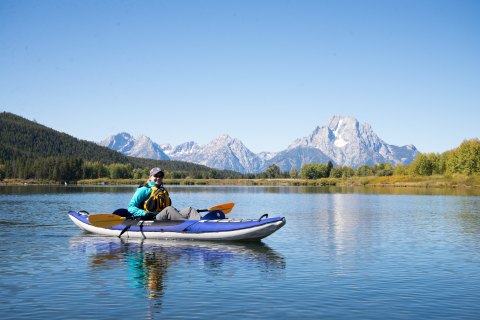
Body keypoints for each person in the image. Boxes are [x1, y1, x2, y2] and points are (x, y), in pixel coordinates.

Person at [128, 167, 201, 221]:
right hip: (152, 218)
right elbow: (131, 208)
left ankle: (202, 223)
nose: (158, 178)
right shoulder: (144, 190)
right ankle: (187, 225)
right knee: (168, 210)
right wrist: (144, 213)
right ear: (150, 177)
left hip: (163, 216)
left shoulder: (163, 190)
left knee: (189, 210)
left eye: (161, 176)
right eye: (156, 176)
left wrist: (175, 211)